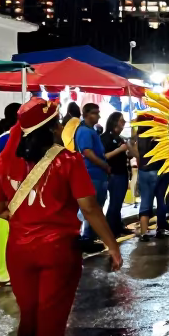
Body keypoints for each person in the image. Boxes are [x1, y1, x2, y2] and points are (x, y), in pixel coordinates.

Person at [0, 98, 123, 336]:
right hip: (58, 251)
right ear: (50, 128)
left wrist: (23, 220)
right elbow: (90, 208)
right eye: (58, 122)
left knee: (30, 318)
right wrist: (112, 246)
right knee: (51, 324)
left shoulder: (6, 161)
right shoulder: (68, 161)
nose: (62, 126)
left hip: (19, 250)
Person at [0, 103, 22, 285]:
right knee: (7, 232)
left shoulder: (1, 137)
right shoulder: (9, 138)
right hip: (9, 193)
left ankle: (6, 271)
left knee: (5, 232)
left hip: (4, 191)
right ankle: (6, 273)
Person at [132, 112, 169, 240]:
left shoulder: (138, 137)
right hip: (160, 170)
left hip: (144, 171)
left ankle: (144, 232)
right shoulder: (158, 136)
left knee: (145, 201)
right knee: (161, 200)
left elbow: (135, 154)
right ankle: (161, 227)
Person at [74, 103, 110, 245]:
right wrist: (104, 165)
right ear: (87, 114)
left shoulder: (92, 130)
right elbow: (87, 152)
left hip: (98, 174)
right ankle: (87, 237)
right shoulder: (84, 131)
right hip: (92, 174)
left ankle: (91, 236)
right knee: (92, 207)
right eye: (95, 113)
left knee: (97, 206)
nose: (98, 116)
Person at [100, 112, 132, 239]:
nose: (123, 123)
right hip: (114, 174)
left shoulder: (119, 138)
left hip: (122, 173)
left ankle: (117, 227)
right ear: (114, 122)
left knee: (118, 204)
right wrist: (119, 150)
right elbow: (104, 156)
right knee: (114, 204)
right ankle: (111, 231)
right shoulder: (105, 138)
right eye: (121, 120)